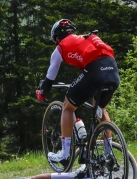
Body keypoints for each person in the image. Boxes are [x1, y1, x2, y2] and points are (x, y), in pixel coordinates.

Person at [36, 19, 120, 165]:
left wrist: (42, 92)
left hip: (94, 71)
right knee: (100, 107)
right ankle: (109, 153)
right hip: (112, 70)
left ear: (57, 38)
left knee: (68, 107)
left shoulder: (60, 47)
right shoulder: (85, 38)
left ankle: (64, 153)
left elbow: (50, 77)